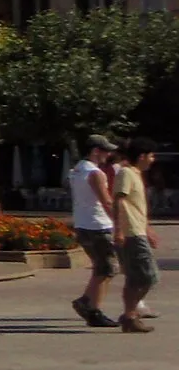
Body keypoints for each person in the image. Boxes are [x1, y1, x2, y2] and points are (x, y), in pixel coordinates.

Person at [68, 135, 121, 328]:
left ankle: (86, 302)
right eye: (105, 150)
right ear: (95, 151)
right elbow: (106, 201)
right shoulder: (96, 173)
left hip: (83, 224)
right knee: (107, 269)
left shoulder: (76, 170)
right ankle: (93, 309)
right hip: (99, 225)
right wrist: (120, 223)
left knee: (100, 267)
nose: (108, 154)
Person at [114, 138, 160, 335]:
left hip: (137, 230)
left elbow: (135, 206)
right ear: (141, 156)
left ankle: (130, 316)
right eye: (151, 155)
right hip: (131, 233)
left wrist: (147, 229)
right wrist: (119, 230)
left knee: (136, 277)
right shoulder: (125, 173)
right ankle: (130, 314)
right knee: (148, 276)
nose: (153, 159)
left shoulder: (135, 174)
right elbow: (118, 200)